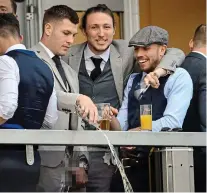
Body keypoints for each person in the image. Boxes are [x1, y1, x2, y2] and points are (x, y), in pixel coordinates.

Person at [62, 4, 186, 192]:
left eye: (107, 27)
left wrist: (158, 72)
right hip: (73, 147)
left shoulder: (128, 51)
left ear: (114, 29)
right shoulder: (68, 54)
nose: (101, 33)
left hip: (109, 150)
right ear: (84, 30)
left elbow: (175, 53)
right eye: (94, 27)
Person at [110, 25, 193, 192]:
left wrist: (136, 134)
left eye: (146, 48)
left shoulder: (179, 77)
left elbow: (172, 122)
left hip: (163, 168)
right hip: (129, 169)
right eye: (136, 49)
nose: (139, 54)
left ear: (163, 50)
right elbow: (123, 121)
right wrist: (110, 118)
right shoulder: (133, 79)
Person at [31, 5, 98, 192]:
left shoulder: (69, 70)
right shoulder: (30, 59)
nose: (70, 41)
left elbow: (78, 121)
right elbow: (42, 94)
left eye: (74, 35)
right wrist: (77, 98)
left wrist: (82, 161)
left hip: (74, 165)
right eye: (66, 33)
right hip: (44, 160)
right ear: (48, 29)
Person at [0, 13, 58, 192]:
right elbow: (50, 119)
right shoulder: (45, 67)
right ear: (20, 36)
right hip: (31, 158)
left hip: (4, 153)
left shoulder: (5, 61)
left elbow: (6, 108)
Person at [181, 24, 206, 192]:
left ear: (191, 42)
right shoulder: (205, 68)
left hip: (178, 153)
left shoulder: (176, 66)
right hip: (202, 154)